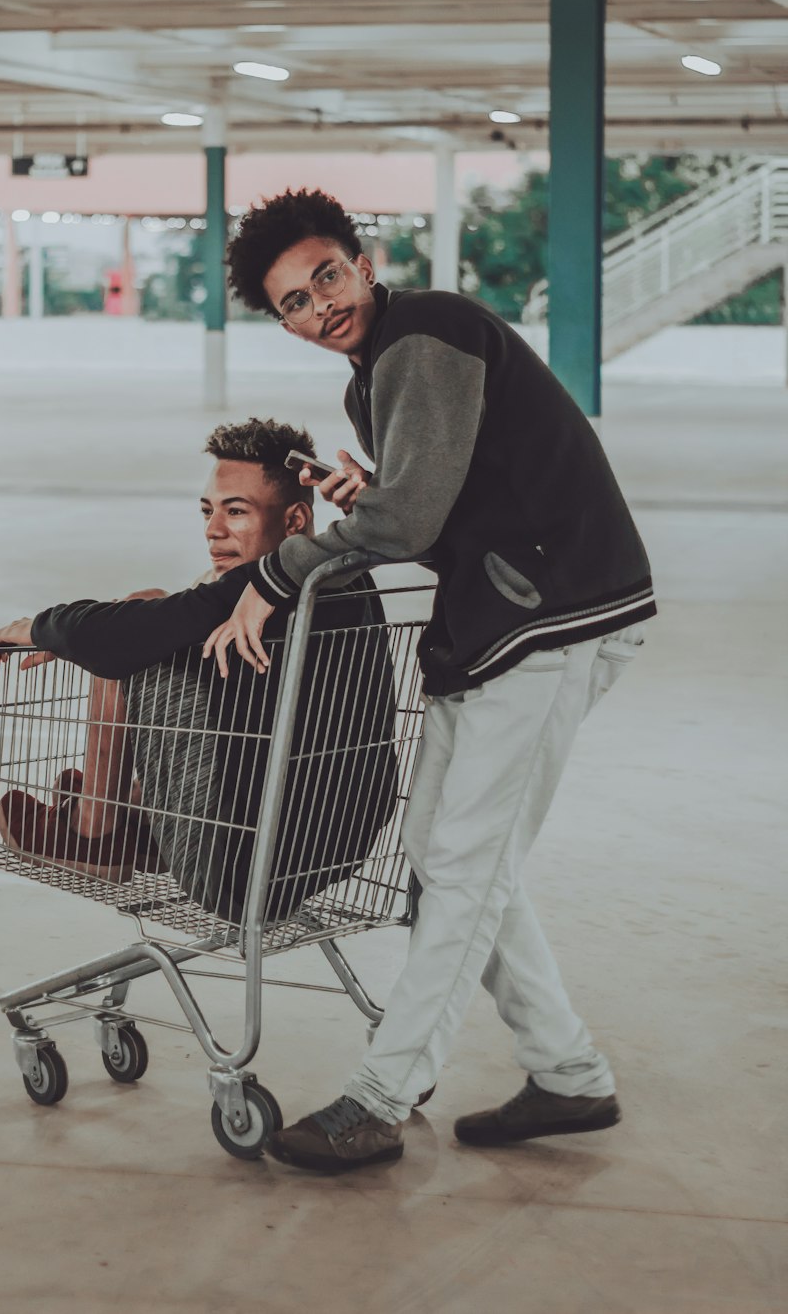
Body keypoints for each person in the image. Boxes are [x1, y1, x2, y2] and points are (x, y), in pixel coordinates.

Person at [204, 188, 657, 1173]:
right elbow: (434, 504)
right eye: (292, 302)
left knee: (461, 868)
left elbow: (406, 524)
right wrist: (364, 503)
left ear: (363, 261)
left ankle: (381, 1094)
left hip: (550, 615)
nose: (318, 305)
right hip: (497, 621)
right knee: (448, 857)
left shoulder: (425, 334)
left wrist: (272, 575)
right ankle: (567, 1073)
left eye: (325, 275)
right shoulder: (377, 373)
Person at [0, 416, 398, 924]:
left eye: (237, 511)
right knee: (154, 618)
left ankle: (95, 831)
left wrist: (44, 628)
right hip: (330, 848)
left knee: (135, 632)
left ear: (294, 522)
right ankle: (130, 806)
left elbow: (124, 639)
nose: (213, 530)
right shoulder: (349, 579)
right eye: (209, 511)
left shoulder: (260, 587)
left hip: (236, 868)